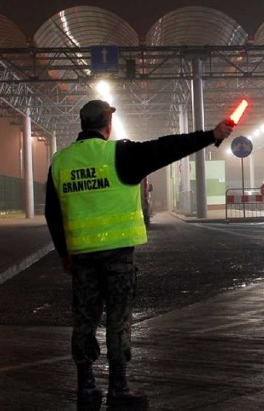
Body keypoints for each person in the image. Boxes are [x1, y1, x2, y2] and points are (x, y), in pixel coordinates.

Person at [45, 100, 233, 406]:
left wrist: (64, 253)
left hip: (81, 257)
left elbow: (52, 213)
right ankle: (118, 388)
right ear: (107, 126)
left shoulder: (61, 161)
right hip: (117, 256)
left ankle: (85, 387)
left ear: (83, 125)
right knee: (118, 320)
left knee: (84, 320)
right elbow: (167, 148)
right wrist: (210, 134)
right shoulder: (119, 154)